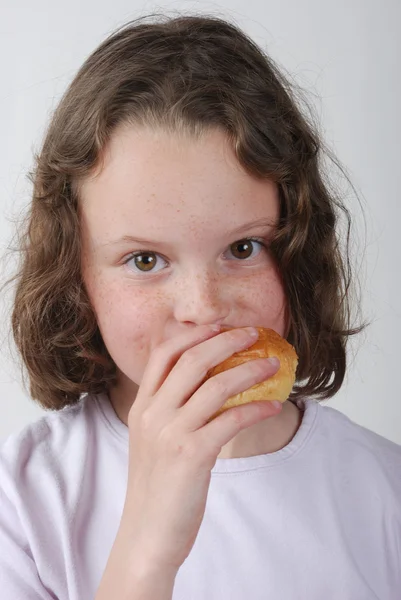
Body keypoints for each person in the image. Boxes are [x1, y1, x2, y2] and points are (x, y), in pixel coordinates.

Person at [0, 12, 400, 600]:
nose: (203, 308)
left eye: (243, 248)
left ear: (295, 249)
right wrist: (145, 552)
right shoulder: (24, 500)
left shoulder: (384, 491)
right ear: (74, 274)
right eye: (145, 260)